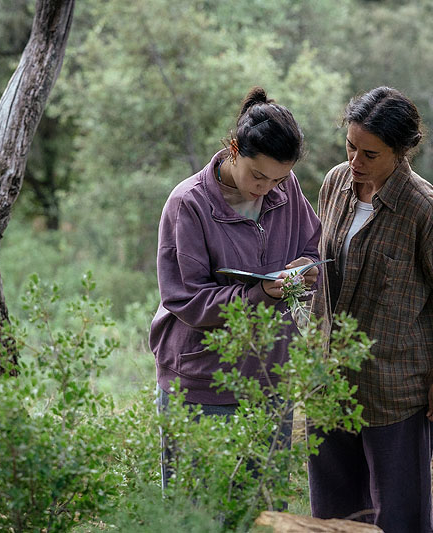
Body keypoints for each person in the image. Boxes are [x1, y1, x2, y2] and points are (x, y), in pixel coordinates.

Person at [308, 86, 433, 532]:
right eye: (350, 146)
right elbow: (324, 260)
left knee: (400, 520)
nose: (355, 162)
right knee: (334, 515)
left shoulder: (424, 211)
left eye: (370, 153)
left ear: (402, 151)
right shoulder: (334, 185)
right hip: (329, 382)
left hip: (395, 391)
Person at [149, 87, 321, 485]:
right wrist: (260, 294)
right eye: (258, 175)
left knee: (260, 513)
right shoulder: (188, 204)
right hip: (201, 381)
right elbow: (186, 299)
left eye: (279, 178)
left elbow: (314, 245)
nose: (267, 187)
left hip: (271, 376)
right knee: (193, 513)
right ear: (233, 148)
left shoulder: (286, 188)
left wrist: (309, 268)